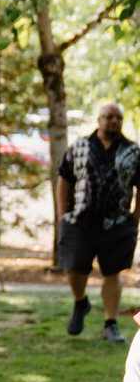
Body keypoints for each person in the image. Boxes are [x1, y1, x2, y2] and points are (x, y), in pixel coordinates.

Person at [57, 102, 140, 343]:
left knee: (113, 273)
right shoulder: (80, 146)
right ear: (99, 119)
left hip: (117, 223)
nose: (113, 121)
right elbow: (64, 179)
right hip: (80, 221)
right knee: (73, 267)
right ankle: (80, 301)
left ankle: (110, 324)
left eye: (118, 118)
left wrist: (135, 218)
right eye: (109, 117)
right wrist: (62, 215)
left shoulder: (133, 151)